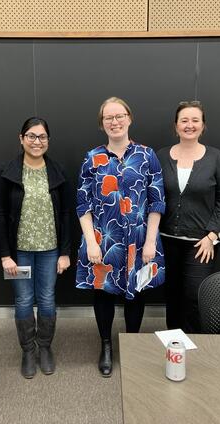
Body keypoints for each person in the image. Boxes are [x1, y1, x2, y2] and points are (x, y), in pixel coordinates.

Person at [76, 97, 165, 377]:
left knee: (136, 294)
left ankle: (132, 344)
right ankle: (106, 345)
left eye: (119, 116)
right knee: (103, 294)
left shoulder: (146, 155)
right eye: (108, 118)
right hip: (103, 240)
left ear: (129, 118)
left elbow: (157, 201)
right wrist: (91, 241)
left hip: (139, 240)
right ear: (102, 124)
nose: (114, 122)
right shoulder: (92, 158)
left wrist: (150, 241)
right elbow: (82, 204)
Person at [0, 117, 71, 379]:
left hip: (50, 249)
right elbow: (0, 215)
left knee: (47, 298)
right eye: (32, 136)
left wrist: (65, 252)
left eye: (42, 137)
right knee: (24, 300)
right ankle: (28, 350)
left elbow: (66, 215)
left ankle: (45, 348)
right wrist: (5, 255)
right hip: (19, 252)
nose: (37, 142)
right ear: (21, 138)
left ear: (48, 140)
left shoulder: (57, 173)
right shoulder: (7, 173)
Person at [157, 100, 220, 333]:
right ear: (176, 126)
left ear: (203, 126)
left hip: (201, 242)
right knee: (172, 293)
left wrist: (212, 235)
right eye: (184, 120)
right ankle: (173, 341)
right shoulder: (160, 156)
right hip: (166, 239)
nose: (189, 125)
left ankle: (195, 342)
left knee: (194, 294)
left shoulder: (216, 158)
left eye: (195, 120)